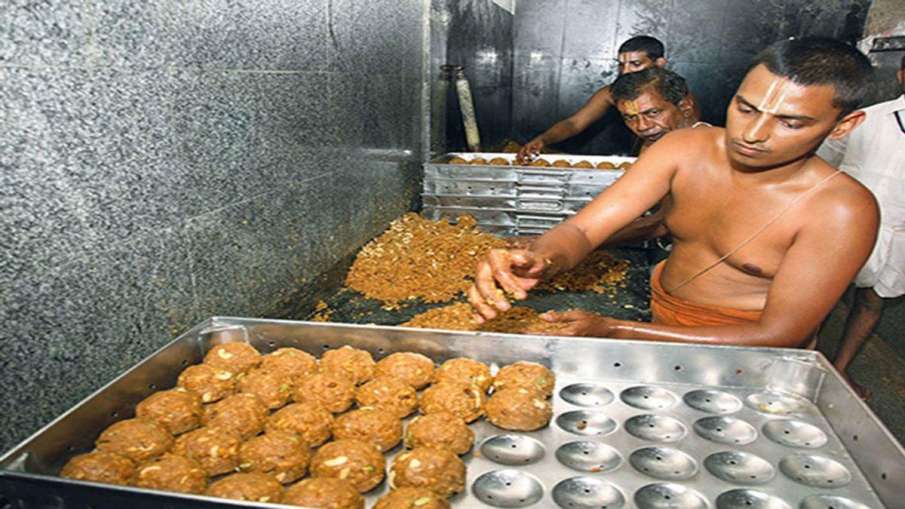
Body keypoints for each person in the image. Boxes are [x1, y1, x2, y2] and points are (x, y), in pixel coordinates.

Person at [468, 37, 878, 349]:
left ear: (843, 126)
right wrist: (541, 256)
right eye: (745, 108)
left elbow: (779, 333)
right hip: (659, 314)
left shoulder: (841, 209)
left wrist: (618, 329)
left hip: (743, 350)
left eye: (790, 122)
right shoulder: (685, 149)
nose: (752, 134)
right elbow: (584, 231)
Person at [816, 54, 905, 395]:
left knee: (871, 303)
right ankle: (803, 360)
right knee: (818, 301)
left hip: (897, 235)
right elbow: (822, 165)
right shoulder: (866, 120)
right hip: (840, 229)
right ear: (900, 75)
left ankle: (840, 371)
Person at [516, 36, 700, 162]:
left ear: (659, 64)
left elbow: (691, 139)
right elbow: (574, 123)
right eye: (621, 65)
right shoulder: (613, 92)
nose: (626, 71)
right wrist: (543, 140)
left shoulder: (675, 93)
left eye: (635, 64)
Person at [611, 67, 699, 154]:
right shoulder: (649, 145)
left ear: (684, 106)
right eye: (631, 117)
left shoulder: (707, 149)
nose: (642, 126)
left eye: (653, 113)